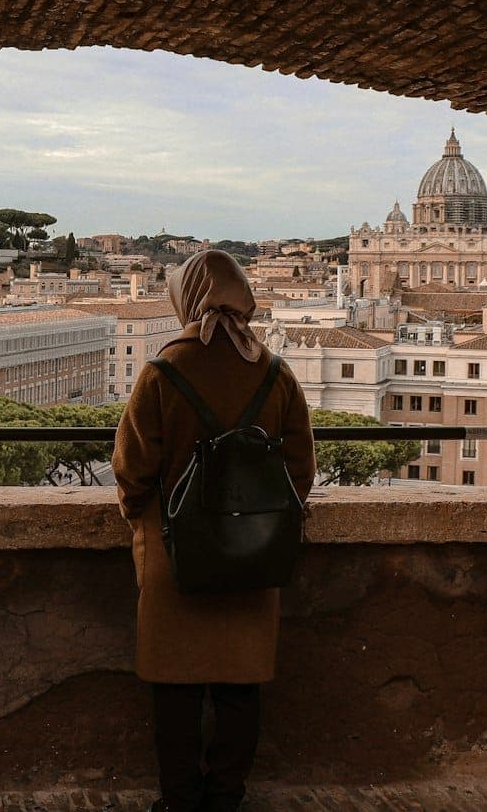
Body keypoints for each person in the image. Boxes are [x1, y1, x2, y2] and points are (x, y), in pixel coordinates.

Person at [113, 250, 316, 812]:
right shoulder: (276, 373)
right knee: (239, 684)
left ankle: (179, 800)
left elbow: (131, 468)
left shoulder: (162, 371)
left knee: (174, 688)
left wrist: (146, 522)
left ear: (188, 297)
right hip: (253, 550)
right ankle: (226, 798)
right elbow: (301, 468)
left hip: (175, 553)